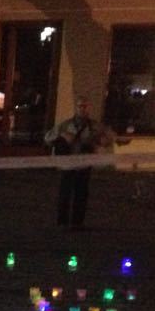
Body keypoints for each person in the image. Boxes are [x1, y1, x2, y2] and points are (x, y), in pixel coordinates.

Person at [44, 96, 114, 228]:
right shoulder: (65, 125)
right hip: (68, 163)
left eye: (85, 106)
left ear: (89, 108)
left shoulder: (95, 126)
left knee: (81, 194)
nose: (82, 109)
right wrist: (63, 136)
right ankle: (62, 222)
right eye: (80, 106)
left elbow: (109, 139)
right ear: (76, 108)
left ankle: (77, 222)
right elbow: (48, 138)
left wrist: (103, 141)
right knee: (65, 193)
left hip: (84, 164)